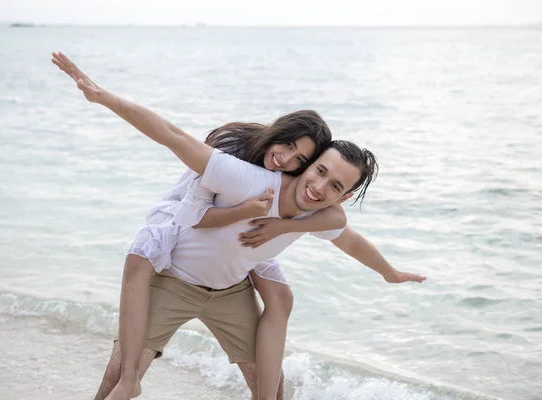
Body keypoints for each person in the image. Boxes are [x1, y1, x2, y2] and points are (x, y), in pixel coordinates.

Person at [51, 51, 426, 400]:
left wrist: (388, 272)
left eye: (335, 186)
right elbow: (171, 135)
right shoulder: (247, 179)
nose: (319, 187)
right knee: (117, 381)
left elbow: (350, 240)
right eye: (319, 171)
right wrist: (103, 97)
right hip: (172, 279)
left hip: (231, 291)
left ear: (343, 197)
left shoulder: (321, 213)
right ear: (308, 166)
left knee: (272, 386)